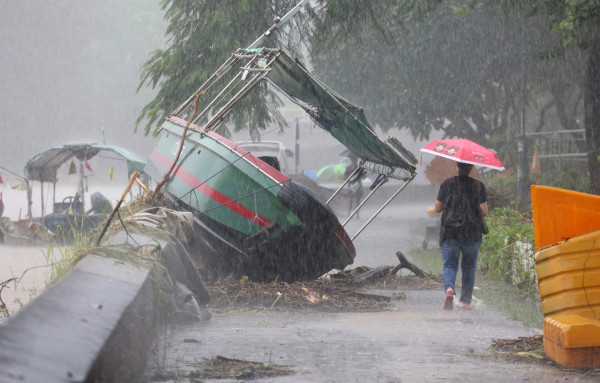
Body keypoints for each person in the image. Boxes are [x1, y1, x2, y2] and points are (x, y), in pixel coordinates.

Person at [432, 162, 488, 310]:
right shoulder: (478, 186)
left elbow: (438, 208)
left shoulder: (447, 184)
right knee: (469, 267)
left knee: (450, 265)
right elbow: (484, 211)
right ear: (471, 168)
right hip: (472, 232)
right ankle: (465, 301)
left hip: (450, 232)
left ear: (457, 166)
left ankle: (450, 289)